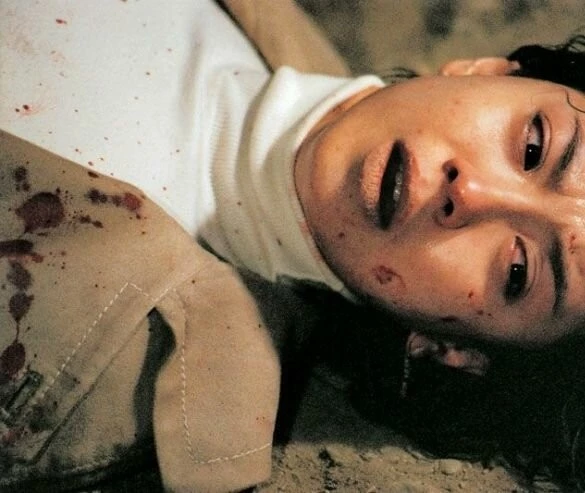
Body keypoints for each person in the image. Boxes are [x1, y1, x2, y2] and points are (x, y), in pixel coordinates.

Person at [1, 0, 585, 490]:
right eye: (534, 147)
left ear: (450, 349)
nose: (473, 193)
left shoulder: (110, 380)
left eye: (518, 271)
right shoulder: (284, 29)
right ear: (487, 70)